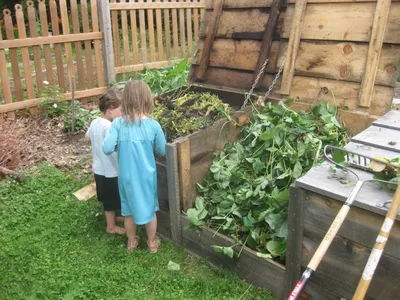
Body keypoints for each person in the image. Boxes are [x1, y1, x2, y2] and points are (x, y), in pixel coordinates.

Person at [103, 80, 166, 253]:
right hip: (147, 176)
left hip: (126, 177)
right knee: (150, 208)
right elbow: (161, 149)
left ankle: (131, 242)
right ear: (147, 99)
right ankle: (152, 243)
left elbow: (107, 148)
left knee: (128, 211)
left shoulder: (117, 124)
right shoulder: (153, 125)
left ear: (126, 100)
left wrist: (119, 146)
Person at [86, 88, 125, 235]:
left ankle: (114, 218)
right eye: (122, 110)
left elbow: (87, 137)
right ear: (111, 109)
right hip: (110, 169)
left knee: (108, 197)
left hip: (98, 167)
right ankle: (111, 227)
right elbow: (114, 146)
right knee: (110, 200)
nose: (123, 114)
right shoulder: (110, 126)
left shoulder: (95, 122)